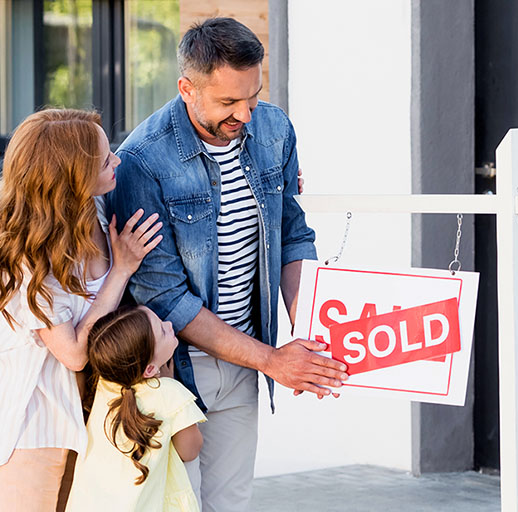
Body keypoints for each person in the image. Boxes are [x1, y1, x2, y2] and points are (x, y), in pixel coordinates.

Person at [106, 17, 349, 511]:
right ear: (187, 89)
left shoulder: (274, 129)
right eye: (228, 102)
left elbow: (292, 235)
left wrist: (313, 334)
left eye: (253, 97)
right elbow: (166, 297)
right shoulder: (143, 161)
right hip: (171, 367)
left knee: (231, 503)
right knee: (177, 502)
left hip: (245, 358)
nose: (246, 113)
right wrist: (275, 362)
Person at [0, 109, 162, 511]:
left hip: (87, 414)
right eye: (106, 159)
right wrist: (121, 269)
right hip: (31, 426)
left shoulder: (95, 211)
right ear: (71, 176)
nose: (117, 162)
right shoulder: (25, 257)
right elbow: (72, 352)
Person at [65, 306, 205, 511]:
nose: (170, 324)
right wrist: (168, 383)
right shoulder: (169, 392)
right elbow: (190, 451)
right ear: (149, 369)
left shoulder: (105, 384)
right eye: (163, 330)